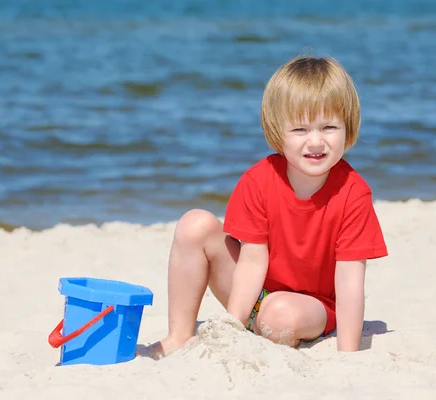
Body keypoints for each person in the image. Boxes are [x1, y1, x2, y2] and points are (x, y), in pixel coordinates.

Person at [151, 55, 388, 357]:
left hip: (311, 308)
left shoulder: (353, 193)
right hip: (256, 295)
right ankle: (179, 337)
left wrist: (348, 355)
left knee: (279, 313)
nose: (316, 141)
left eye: (329, 127)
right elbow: (252, 261)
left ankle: (264, 326)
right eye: (300, 130)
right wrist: (232, 327)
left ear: (348, 127)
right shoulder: (259, 180)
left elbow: (350, 282)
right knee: (194, 224)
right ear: (278, 132)